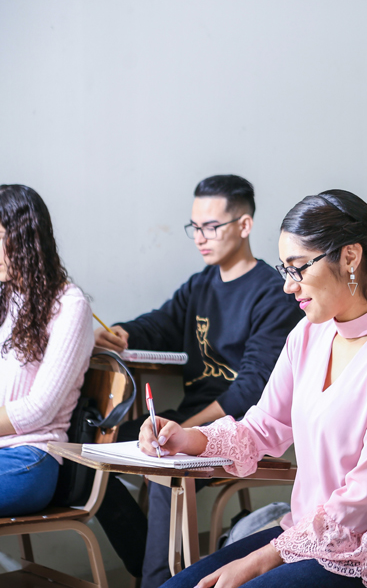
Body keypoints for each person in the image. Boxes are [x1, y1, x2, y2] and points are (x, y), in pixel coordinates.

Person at [145, 189, 367, 588]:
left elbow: (364, 498)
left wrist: (258, 562)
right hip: (312, 537)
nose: (289, 286)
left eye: (298, 268)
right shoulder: (308, 334)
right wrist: (186, 438)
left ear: (350, 257)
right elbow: (262, 427)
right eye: (285, 270)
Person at [94, 175, 303, 585]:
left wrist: (187, 431)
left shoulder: (272, 292)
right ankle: (147, 565)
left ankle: (154, 580)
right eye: (195, 227)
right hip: (189, 418)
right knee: (99, 453)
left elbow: (251, 389)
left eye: (211, 227)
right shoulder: (201, 285)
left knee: (165, 468)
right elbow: (162, 323)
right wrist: (122, 333)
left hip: (239, 426)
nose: (200, 238)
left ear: (244, 225)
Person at [0, 184, 94, 516]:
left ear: (27, 239)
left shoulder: (70, 305)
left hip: (29, 458)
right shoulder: (6, 298)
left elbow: (38, 409)